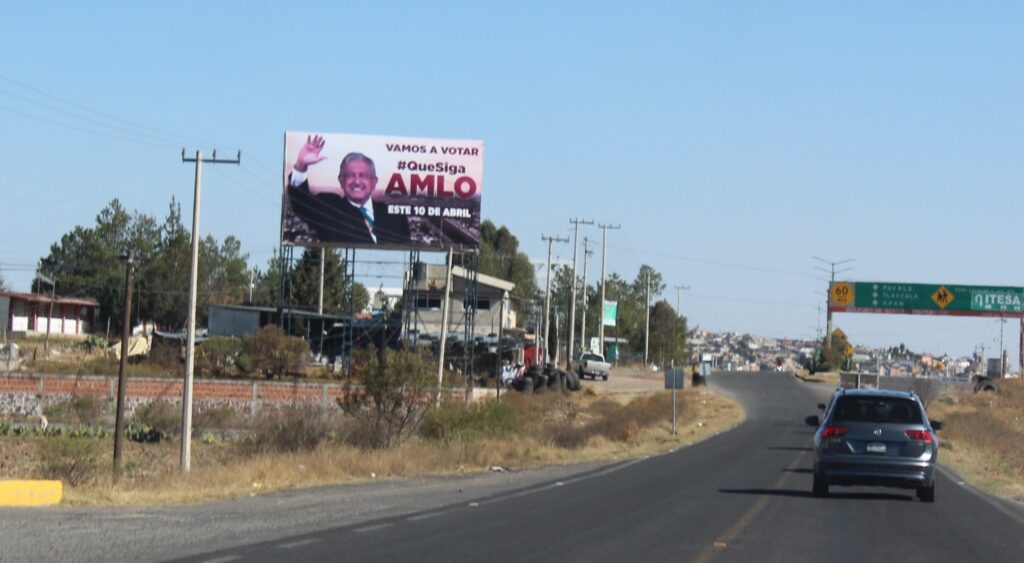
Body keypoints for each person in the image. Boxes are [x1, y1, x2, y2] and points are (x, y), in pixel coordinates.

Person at [287, 134, 409, 245]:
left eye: (363, 175)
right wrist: (301, 165)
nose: (357, 181)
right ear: (341, 180)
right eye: (350, 175)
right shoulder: (330, 208)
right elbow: (301, 204)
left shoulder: (394, 216)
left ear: (374, 182)